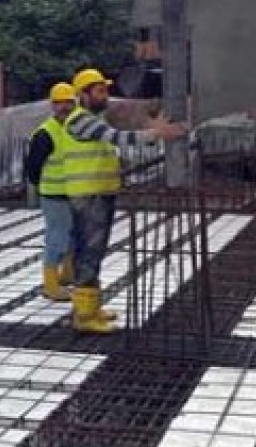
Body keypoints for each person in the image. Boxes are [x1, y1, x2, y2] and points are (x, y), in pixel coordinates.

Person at [64, 68, 187, 334]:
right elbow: (120, 138)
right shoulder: (80, 120)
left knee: (93, 252)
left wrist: (152, 137)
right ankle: (84, 317)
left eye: (105, 90)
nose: (105, 95)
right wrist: (156, 133)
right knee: (89, 253)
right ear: (83, 95)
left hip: (99, 193)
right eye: (99, 91)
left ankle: (91, 307)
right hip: (88, 197)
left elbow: (118, 147)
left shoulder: (95, 121)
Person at [24, 82, 79, 301]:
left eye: (68, 102)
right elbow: (33, 167)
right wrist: (42, 187)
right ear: (52, 105)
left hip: (74, 193)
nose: (64, 107)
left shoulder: (75, 128)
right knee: (56, 239)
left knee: (72, 236)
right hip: (54, 195)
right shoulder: (46, 133)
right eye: (59, 103)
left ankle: (67, 275)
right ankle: (51, 285)